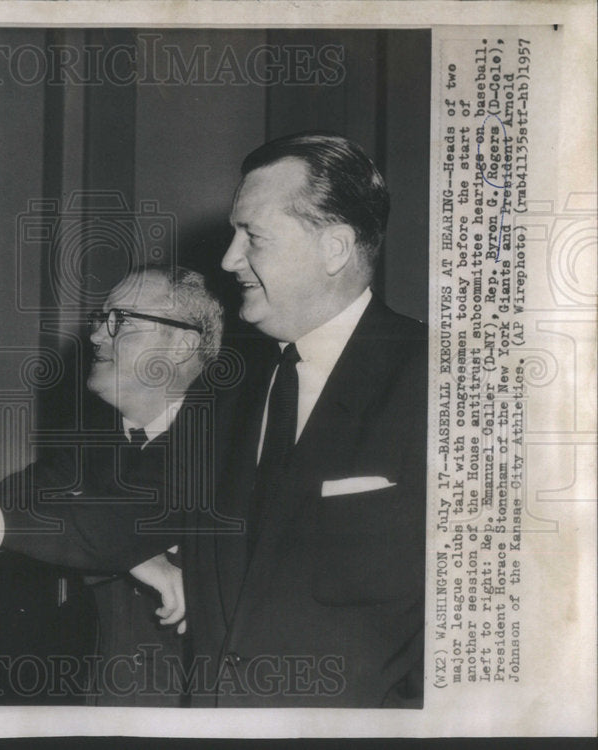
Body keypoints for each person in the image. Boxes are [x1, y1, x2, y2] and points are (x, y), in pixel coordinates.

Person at [180, 132, 428, 707]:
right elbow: (141, 502)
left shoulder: (442, 382)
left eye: (253, 237)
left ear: (334, 248)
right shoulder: (222, 391)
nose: (227, 259)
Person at [0, 265, 223, 706]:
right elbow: (15, 496)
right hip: (101, 688)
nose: (96, 336)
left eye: (121, 321)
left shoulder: (226, 432)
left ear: (183, 343)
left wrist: (115, 540)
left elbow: (135, 513)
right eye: (101, 318)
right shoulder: (97, 437)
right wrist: (134, 552)